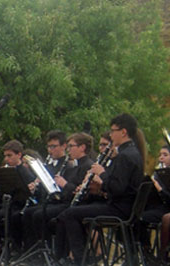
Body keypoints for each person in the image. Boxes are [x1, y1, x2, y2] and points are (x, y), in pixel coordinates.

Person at [54, 114, 146, 265]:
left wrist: (101, 173)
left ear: (123, 132)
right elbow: (120, 186)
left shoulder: (124, 156)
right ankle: (83, 258)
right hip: (126, 207)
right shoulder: (133, 153)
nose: (111, 134)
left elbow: (117, 188)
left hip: (119, 209)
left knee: (70, 214)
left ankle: (80, 261)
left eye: (113, 131)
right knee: (73, 213)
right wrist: (98, 188)